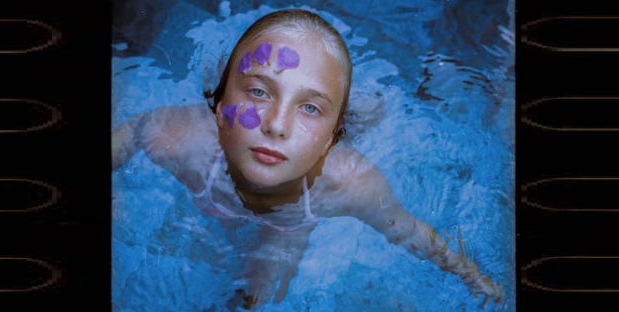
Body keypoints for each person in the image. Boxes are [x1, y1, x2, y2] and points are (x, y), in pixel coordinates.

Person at [112, 8, 504, 310]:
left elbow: (410, 231)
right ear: (219, 104)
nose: (277, 125)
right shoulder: (180, 138)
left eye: (311, 109)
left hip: (290, 221)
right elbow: (133, 131)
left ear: (332, 138)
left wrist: (471, 275)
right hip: (217, 199)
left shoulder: (346, 183)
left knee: (262, 296)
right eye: (258, 92)